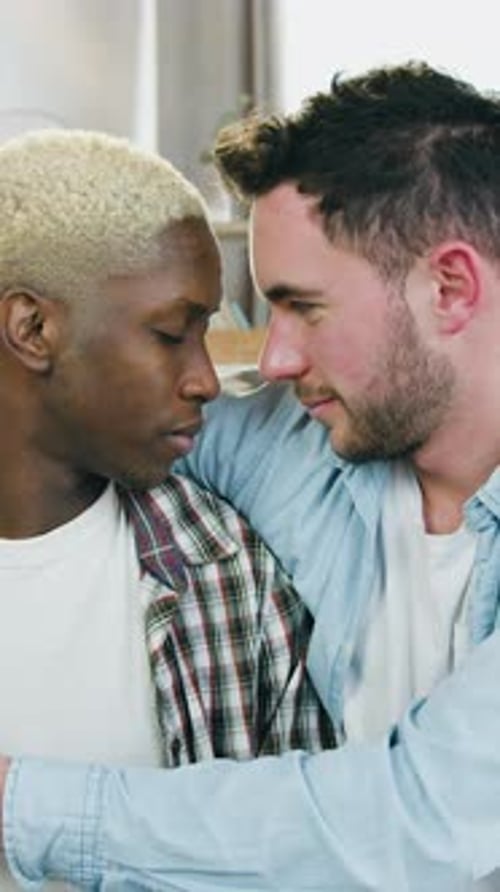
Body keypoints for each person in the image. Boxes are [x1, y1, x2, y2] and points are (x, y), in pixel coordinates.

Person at [2, 61, 500, 891]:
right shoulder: (303, 451)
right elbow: (99, 412)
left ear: (450, 287)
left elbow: (417, 821)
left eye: (305, 306)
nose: (270, 359)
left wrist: (18, 802)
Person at [0, 127, 335, 890]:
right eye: (170, 333)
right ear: (34, 329)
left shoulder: (229, 572)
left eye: (207, 333)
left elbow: (301, 861)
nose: (206, 381)